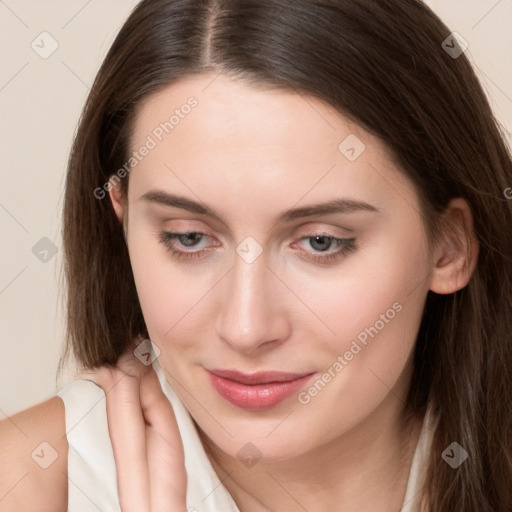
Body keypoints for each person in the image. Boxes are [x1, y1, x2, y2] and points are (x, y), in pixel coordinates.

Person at [1, 0, 511, 510]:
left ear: (449, 246)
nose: (246, 329)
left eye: (321, 242)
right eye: (189, 238)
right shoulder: (24, 482)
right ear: (123, 219)